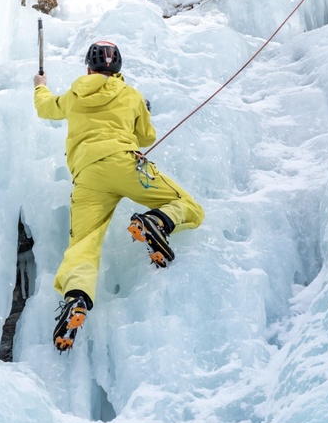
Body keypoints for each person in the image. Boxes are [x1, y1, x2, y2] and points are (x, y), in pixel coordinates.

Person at [33, 40, 204, 352]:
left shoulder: (73, 95)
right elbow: (146, 136)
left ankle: (76, 299)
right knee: (188, 206)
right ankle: (157, 221)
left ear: (88, 68)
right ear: (118, 69)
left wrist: (40, 86)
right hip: (126, 165)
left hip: (87, 177)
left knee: (83, 245)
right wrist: (141, 112)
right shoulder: (131, 95)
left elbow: (45, 108)